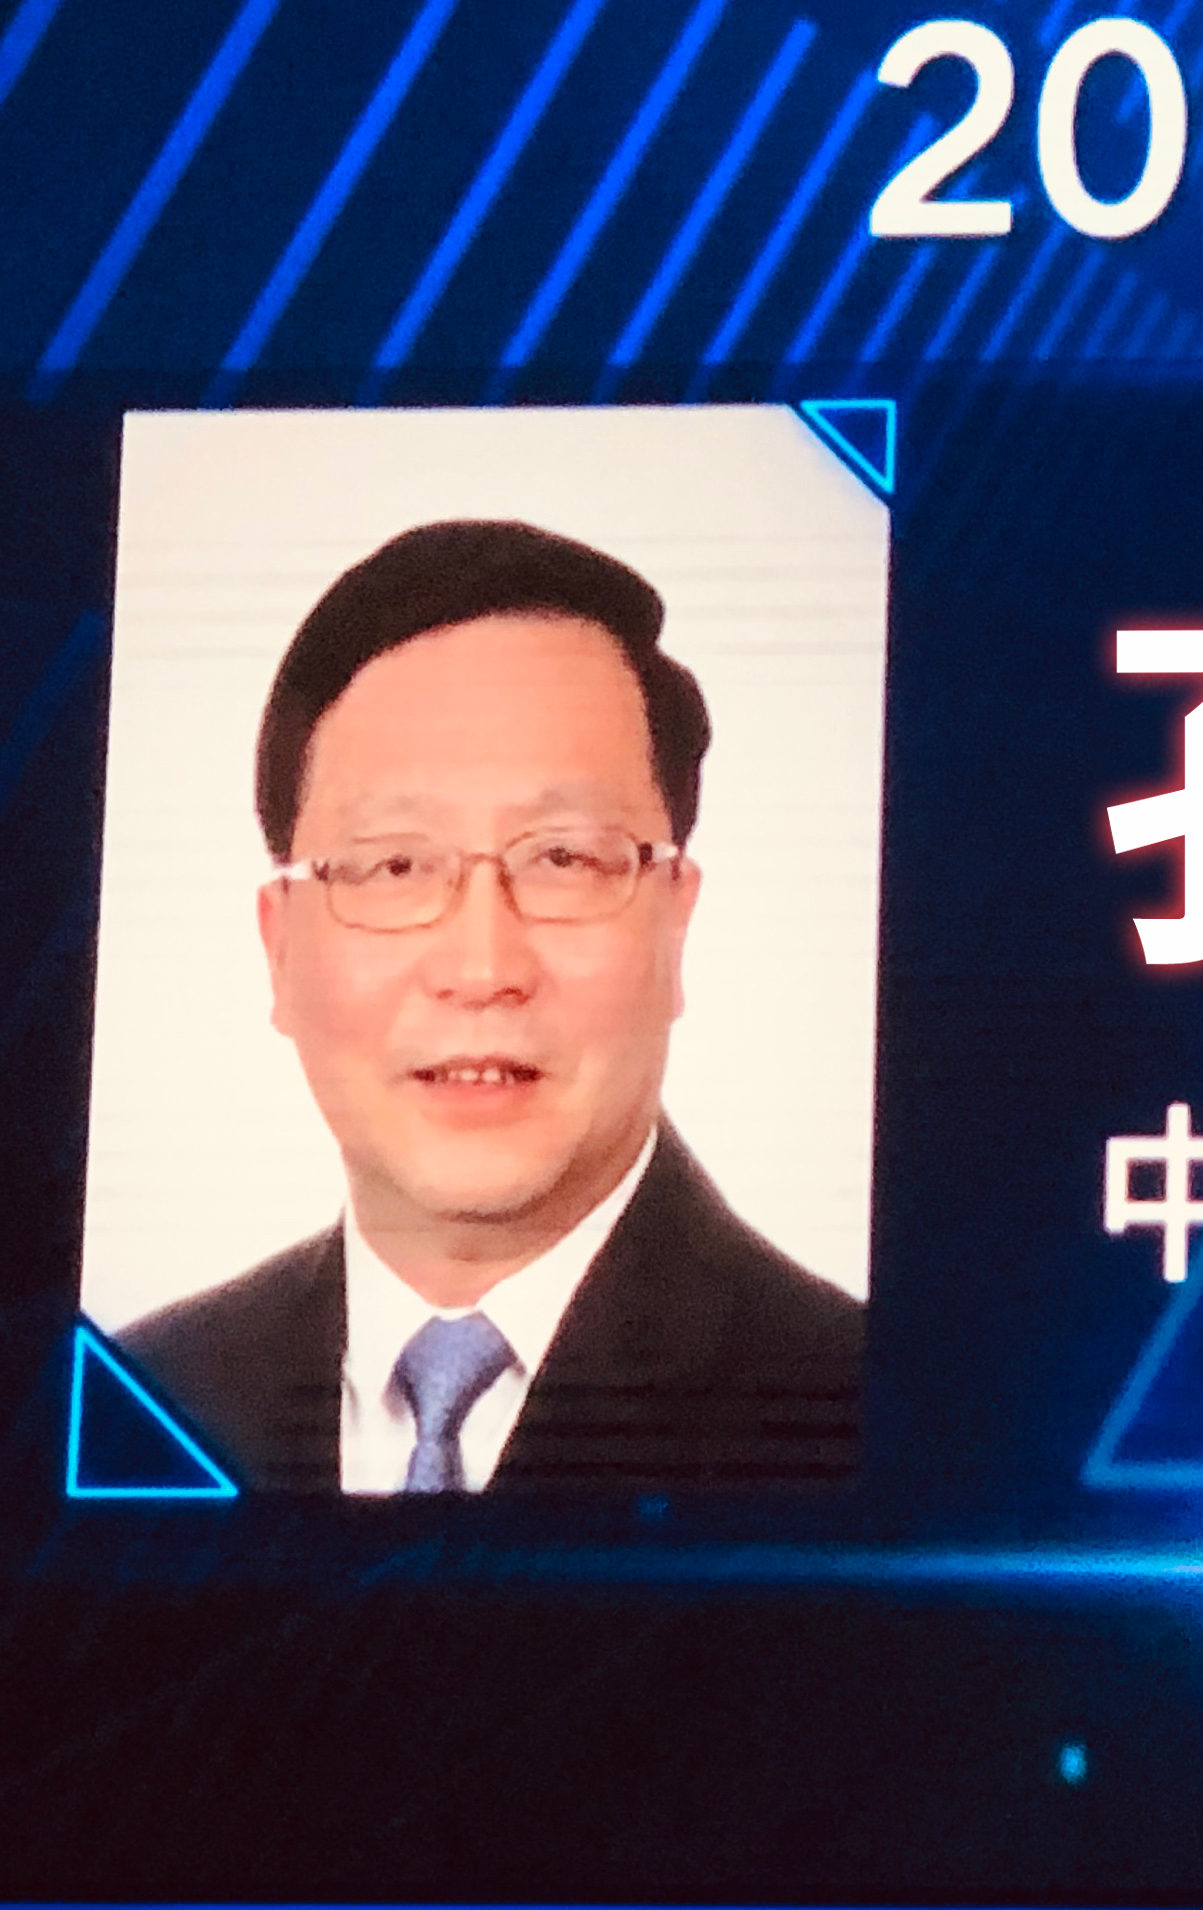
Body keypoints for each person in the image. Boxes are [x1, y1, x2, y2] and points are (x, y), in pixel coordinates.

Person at [121, 520, 861, 1492]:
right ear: (280, 948)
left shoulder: (849, 1403)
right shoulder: (147, 1403)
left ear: (676, 923)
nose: (481, 967)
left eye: (564, 859)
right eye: (394, 866)